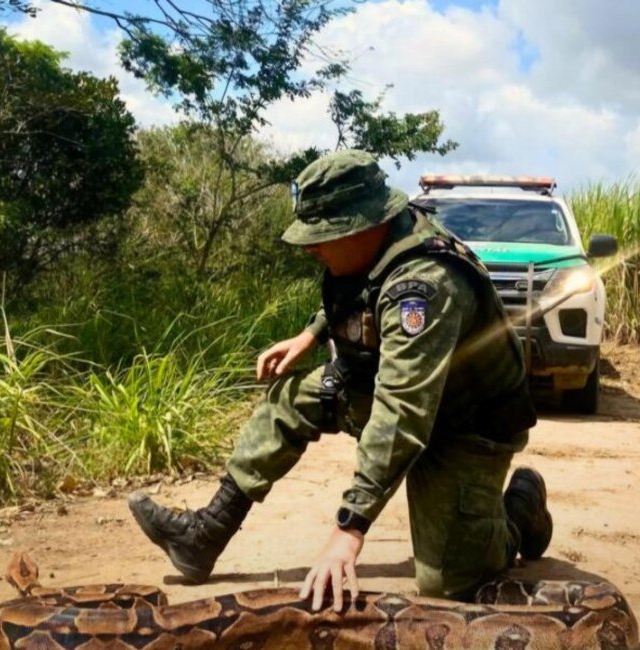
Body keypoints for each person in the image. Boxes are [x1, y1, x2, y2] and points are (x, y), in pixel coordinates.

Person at [127, 149, 552, 610]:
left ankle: (520, 511)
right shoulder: (379, 242)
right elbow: (363, 290)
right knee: (288, 400)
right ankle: (204, 534)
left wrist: (348, 530)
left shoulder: (425, 286)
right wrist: (310, 335)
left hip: (467, 425)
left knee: (448, 584)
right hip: (402, 392)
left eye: (322, 236)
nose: (310, 248)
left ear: (365, 223)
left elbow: (401, 412)